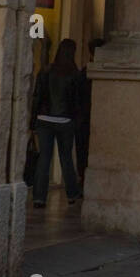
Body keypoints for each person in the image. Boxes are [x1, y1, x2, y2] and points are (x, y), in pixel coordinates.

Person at [31, 38, 83, 208]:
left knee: (43, 159)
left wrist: (32, 122)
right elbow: (76, 102)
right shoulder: (74, 74)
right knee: (66, 157)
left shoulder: (45, 71)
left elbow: (36, 97)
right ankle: (72, 194)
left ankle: (39, 197)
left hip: (43, 119)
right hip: (65, 120)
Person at [75, 36, 103, 185]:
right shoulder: (87, 73)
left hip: (84, 118)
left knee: (83, 152)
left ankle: (83, 180)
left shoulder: (84, 73)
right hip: (91, 118)